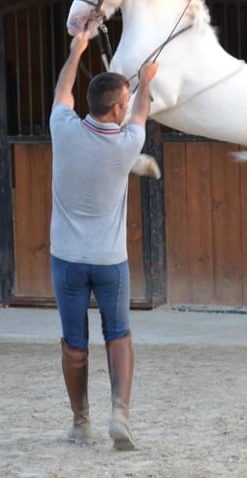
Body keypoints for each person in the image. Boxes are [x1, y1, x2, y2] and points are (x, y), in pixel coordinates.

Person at [49, 29, 158, 451]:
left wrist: (76, 51)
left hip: (67, 260)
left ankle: (80, 422)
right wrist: (146, 82)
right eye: (124, 102)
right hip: (110, 261)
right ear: (116, 109)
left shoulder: (63, 129)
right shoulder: (128, 145)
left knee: (74, 342)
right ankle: (121, 414)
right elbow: (141, 115)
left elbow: (63, 91)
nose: (128, 106)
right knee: (119, 333)